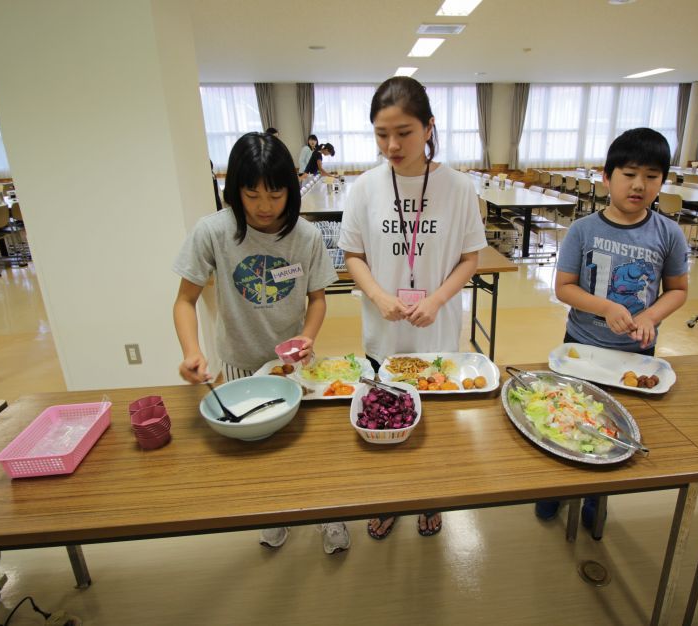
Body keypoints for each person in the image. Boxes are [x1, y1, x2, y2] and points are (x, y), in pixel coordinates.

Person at [172, 132, 349, 554]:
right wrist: (191, 352)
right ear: (235, 191)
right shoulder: (212, 232)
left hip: (297, 365)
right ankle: (274, 514)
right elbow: (184, 300)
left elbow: (319, 298)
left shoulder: (304, 236)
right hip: (240, 365)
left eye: (275, 193)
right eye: (251, 194)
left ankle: (329, 515)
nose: (264, 207)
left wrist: (307, 337)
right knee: (258, 451)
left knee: (311, 448)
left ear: (291, 188)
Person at [337, 76, 487, 540]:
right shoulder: (364, 188)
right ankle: (387, 498)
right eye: (382, 134)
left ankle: (430, 499)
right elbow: (353, 256)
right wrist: (379, 295)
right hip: (384, 334)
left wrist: (439, 299)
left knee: (434, 429)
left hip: (436, 334)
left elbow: (469, 258)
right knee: (385, 423)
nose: (392, 145)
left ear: (428, 127)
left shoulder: (459, 188)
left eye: (403, 132)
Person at [537, 127, 689, 538]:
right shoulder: (583, 229)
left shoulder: (668, 233)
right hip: (581, 348)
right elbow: (564, 286)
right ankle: (556, 489)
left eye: (652, 176)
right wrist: (606, 306)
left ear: (662, 181)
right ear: (607, 177)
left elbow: (678, 291)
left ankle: (595, 497)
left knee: (615, 429)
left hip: (634, 356)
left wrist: (651, 316)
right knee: (564, 420)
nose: (639, 185)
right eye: (629, 173)